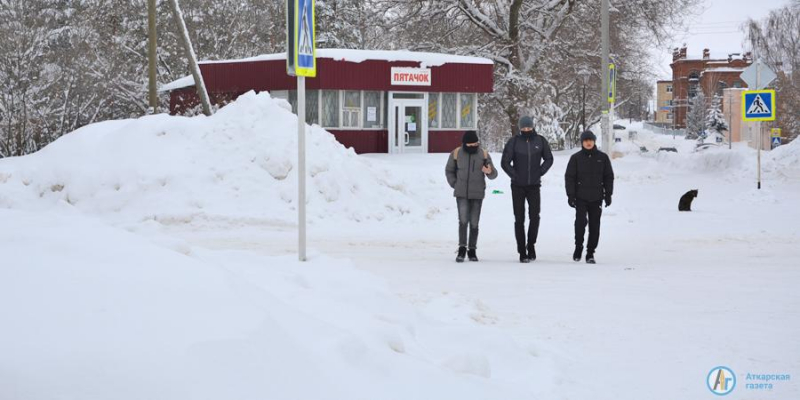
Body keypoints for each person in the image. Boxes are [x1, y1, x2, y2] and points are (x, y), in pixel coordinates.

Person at [501, 116, 554, 263]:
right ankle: (521, 250)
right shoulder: (514, 142)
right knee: (519, 218)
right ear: (520, 128)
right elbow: (505, 162)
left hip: (534, 186)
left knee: (535, 217)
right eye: (523, 128)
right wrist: (515, 175)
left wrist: (540, 172)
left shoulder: (540, 141)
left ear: (532, 127)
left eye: (528, 128)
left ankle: (531, 245)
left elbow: (549, 159)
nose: (526, 130)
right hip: (517, 186)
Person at [445, 131, 498, 262]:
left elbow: (494, 175)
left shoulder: (484, 154)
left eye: (475, 143)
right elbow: (449, 170)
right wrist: (455, 184)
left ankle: (472, 250)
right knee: (463, 221)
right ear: (464, 144)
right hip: (461, 194)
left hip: (477, 194)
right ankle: (462, 248)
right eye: (470, 144)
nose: (473, 146)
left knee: (474, 223)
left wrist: (489, 171)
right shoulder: (456, 153)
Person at [565, 130, 615, 264]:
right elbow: (569, 178)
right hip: (580, 197)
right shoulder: (575, 158)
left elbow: (608, 177)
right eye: (586, 140)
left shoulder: (602, 158)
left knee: (595, 226)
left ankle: (590, 252)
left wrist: (608, 194)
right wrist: (571, 195)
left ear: (594, 141)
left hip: (596, 198)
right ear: (582, 142)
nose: (588, 143)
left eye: (590, 140)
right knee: (580, 223)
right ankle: (578, 247)